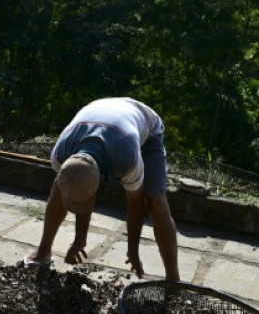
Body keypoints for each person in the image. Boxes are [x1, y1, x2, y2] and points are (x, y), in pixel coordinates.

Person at [23, 97, 180, 281]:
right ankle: (43, 252)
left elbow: (136, 203)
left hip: (145, 125)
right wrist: (80, 239)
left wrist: (133, 251)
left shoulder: (127, 160)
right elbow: (78, 185)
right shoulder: (60, 154)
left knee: (156, 202)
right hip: (101, 114)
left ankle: (173, 278)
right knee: (60, 187)